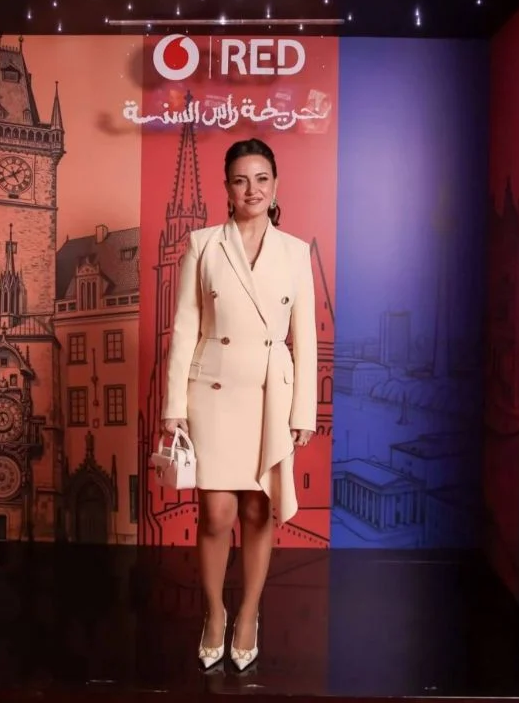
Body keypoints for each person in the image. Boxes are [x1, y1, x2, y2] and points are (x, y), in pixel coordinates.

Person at [160, 137, 317, 672]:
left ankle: (248, 614)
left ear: (275, 185)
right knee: (216, 513)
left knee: (256, 509)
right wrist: (173, 404)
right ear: (226, 188)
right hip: (212, 390)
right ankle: (214, 612)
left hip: (271, 393)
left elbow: (305, 338)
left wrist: (303, 412)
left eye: (262, 179)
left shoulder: (295, 251)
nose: (252, 189)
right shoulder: (202, 244)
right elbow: (184, 328)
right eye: (240, 180)